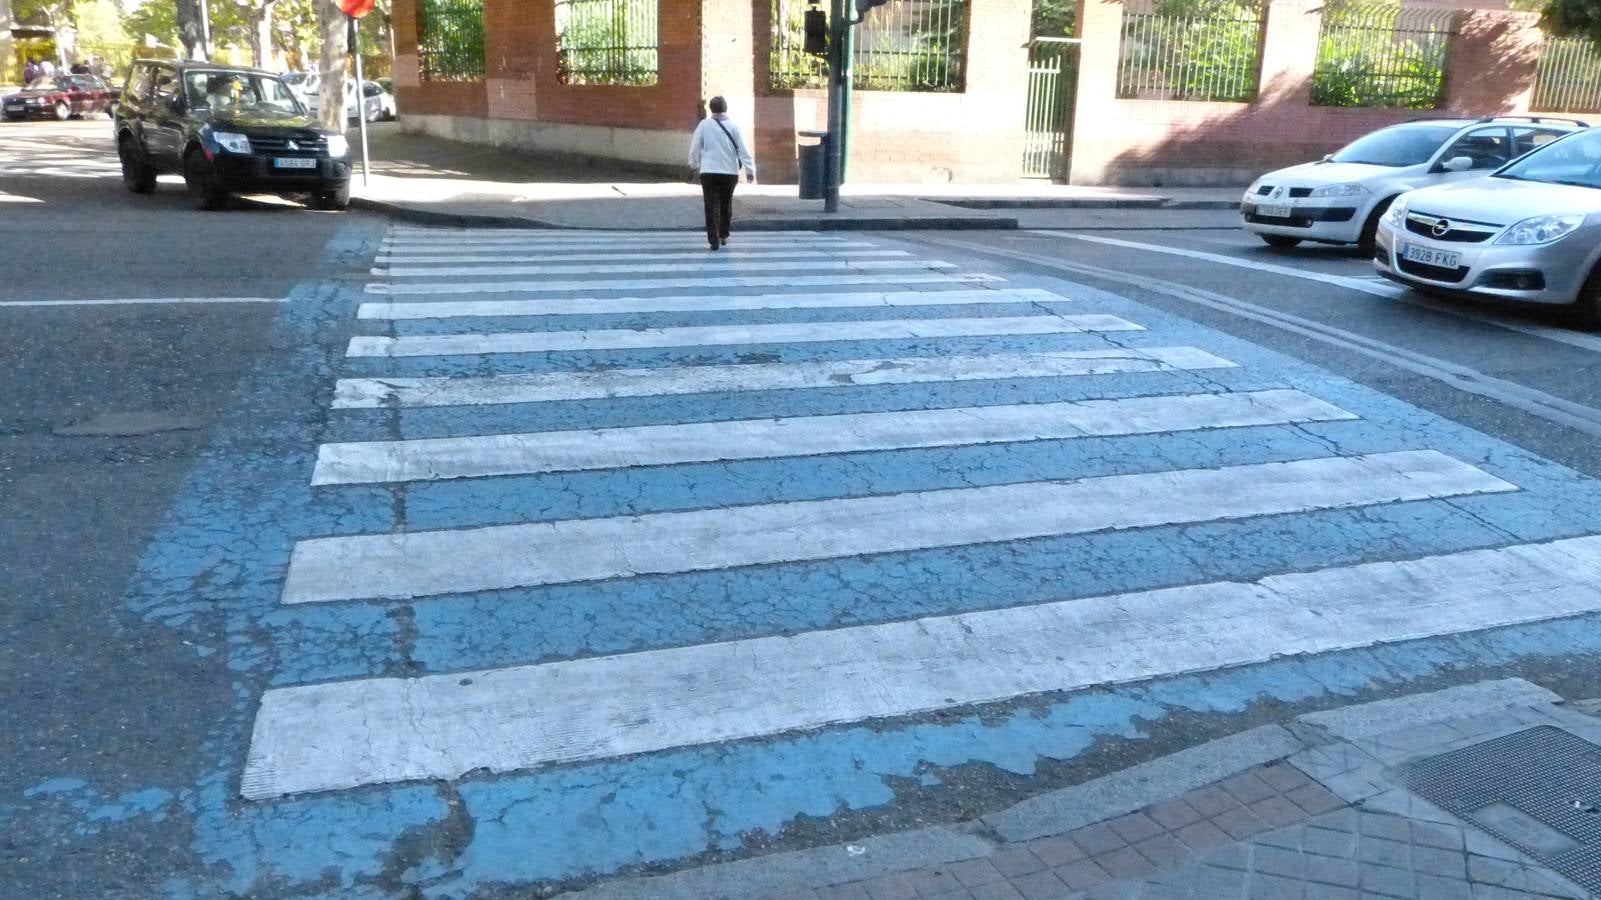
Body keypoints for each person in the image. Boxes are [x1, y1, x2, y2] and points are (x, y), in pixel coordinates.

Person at [688, 96, 756, 251]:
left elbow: (695, 148)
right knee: (726, 203)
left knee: (710, 205)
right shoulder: (734, 127)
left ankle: (713, 239)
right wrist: (750, 170)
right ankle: (723, 234)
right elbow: (744, 150)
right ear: (725, 108)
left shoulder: (704, 126)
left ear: (711, 109)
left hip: (709, 172)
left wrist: (694, 165)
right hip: (729, 173)